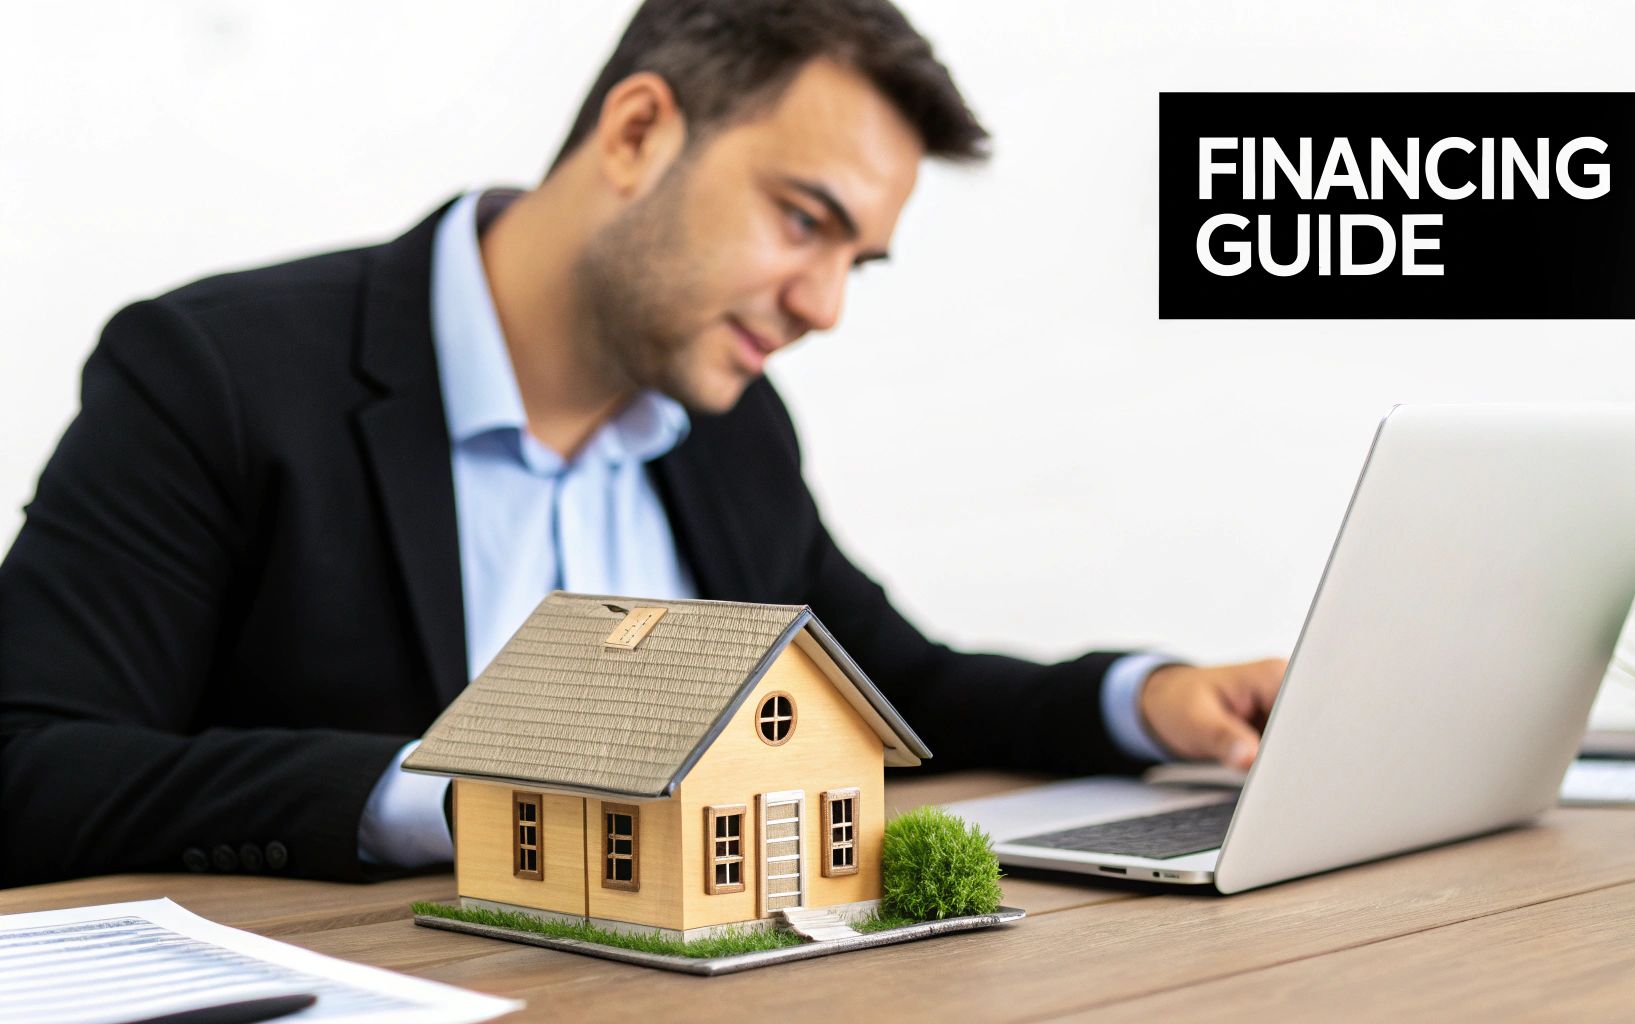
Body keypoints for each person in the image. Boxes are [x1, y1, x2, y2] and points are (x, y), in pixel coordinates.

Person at [0, 0, 1283, 887]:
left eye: (856, 261)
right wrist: (465, 800)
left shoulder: (727, 428)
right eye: (801, 221)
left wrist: (1146, 696)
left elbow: (887, 694)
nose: (823, 305)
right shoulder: (215, 374)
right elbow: (33, 764)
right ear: (635, 134)